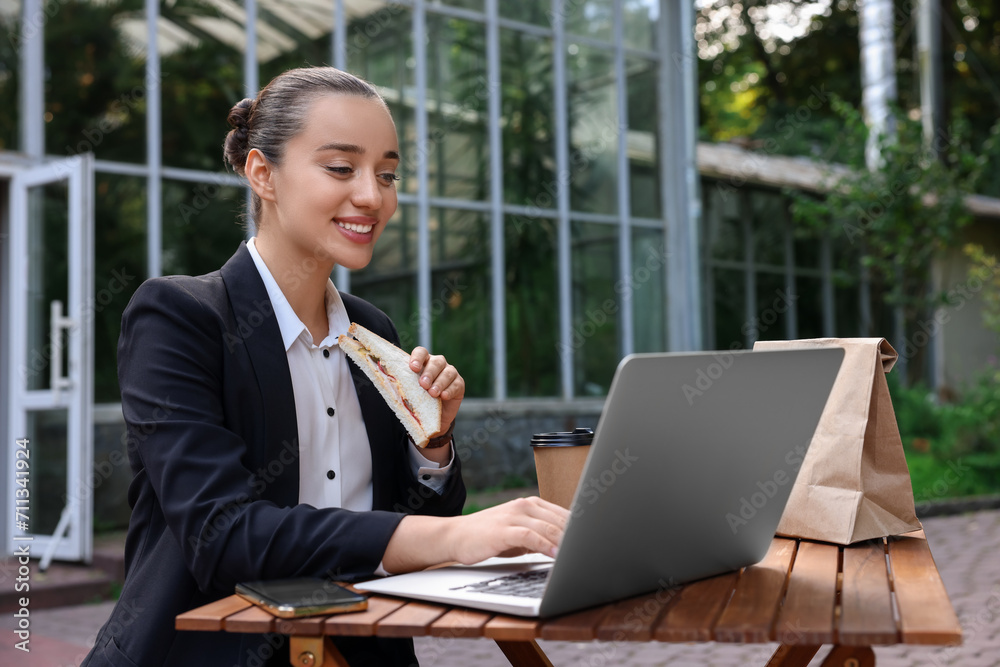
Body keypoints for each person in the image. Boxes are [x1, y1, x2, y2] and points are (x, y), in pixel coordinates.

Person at [83, 66, 568, 667]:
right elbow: (221, 535)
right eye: (341, 168)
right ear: (263, 174)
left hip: (362, 648)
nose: (372, 195)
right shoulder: (180, 318)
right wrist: (460, 535)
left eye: (387, 174)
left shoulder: (373, 333)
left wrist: (432, 445)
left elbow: (409, 525)